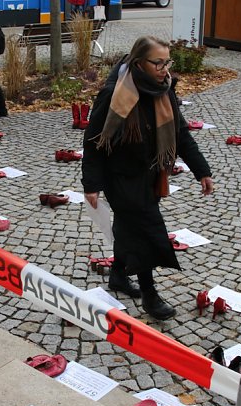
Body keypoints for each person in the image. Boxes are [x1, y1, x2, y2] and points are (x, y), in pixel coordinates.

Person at [82, 36, 214, 320]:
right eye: (159, 62)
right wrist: (91, 184)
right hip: (120, 177)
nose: (165, 68)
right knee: (145, 231)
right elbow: (93, 141)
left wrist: (201, 170)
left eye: (168, 61)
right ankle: (150, 296)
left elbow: (180, 133)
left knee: (129, 228)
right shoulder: (114, 93)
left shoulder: (163, 90)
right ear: (139, 62)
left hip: (151, 175)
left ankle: (118, 274)